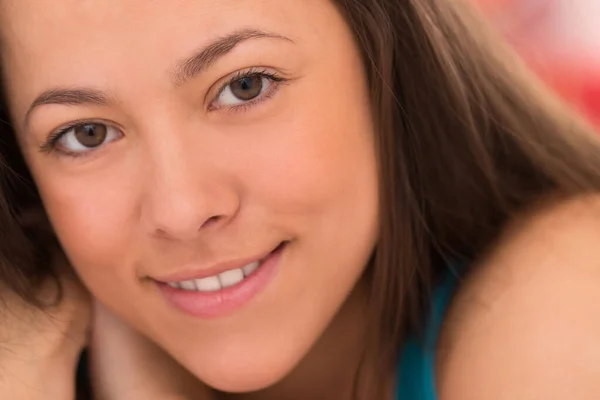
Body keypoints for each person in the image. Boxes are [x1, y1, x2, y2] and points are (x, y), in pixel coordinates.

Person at [1, 0, 600, 399]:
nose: (181, 210)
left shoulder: (568, 293)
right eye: (86, 134)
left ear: (384, 63)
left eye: (245, 86)